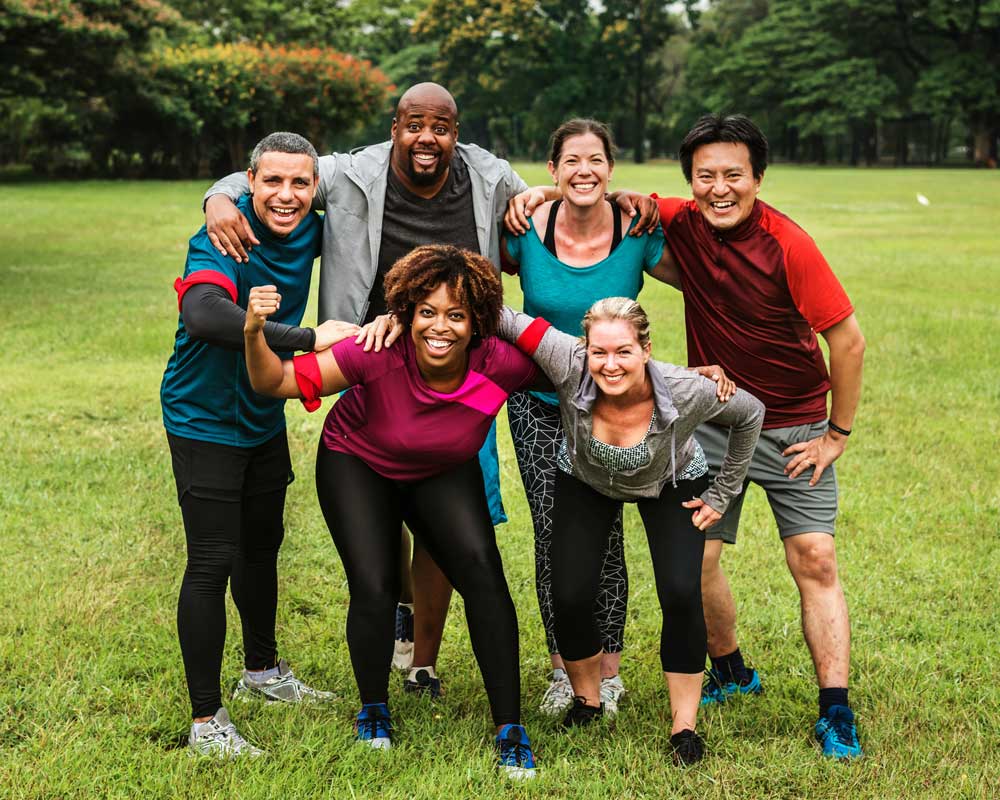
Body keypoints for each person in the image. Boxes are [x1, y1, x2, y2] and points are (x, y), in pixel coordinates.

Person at [203, 83, 659, 690]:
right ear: (395, 126)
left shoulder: (487, 175)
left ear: (456, 131)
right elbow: (273, 173)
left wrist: (618, 195)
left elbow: (564, 198)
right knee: (379, 501)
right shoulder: (351, 172)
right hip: (372, 354)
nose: (427, 138)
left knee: (448, 519)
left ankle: (422, 659)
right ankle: (396, 619)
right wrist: (219, 197)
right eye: (414, 124)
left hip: (460, 365)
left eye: (440, 126)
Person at [514, 113, 868, 758]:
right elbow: (607, 197)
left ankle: (835, 709)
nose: (719, 188)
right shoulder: (674, 218)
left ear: (758, 177)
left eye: (734, 175)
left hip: (793, 422)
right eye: (705, 176)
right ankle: (729, 669)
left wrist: (836, 432)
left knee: (814, 558)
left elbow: (846, 339)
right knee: (696, 565)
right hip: (709, 421)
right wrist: (538, 194)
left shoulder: (790, 244)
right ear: (690, 183)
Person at [243, 245, 542, 778]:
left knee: (485, 577)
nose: (439, 327)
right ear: (405, 312)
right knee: (376, 585)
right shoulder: (377, 352)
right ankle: (373, 708)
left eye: (456, 314)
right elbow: (274, 383)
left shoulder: (503, 364)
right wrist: (252, 334)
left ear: (478, 322)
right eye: (426, 312)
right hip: (359, 461)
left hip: (441, 468)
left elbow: (592, 374)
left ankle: (509, 727)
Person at [498, 298, 764, 765]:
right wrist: (417, 305)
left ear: (646, 349)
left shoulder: (686, 389)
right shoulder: (567, 359)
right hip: (585, 477)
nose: (610, 364)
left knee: (682, 591)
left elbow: (750, 414)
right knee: (571, 592)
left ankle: (684, 726)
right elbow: (503, 316)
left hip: (672, 481)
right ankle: (588, 700)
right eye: (599, 352)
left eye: (623, 351)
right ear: (584, 349)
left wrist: (722, 494)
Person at [160, 132, 347, 759]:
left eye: (300, 183)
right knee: (212, 558)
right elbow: (205, 315)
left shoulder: (313, 230)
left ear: (315, 188)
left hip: (263, 410)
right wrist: (305, 336)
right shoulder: (224, 234)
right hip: (204, 416)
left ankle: (262, 672)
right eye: (272, 181)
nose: (286, 195)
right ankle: (205, 722)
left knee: (263, 547)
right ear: (249, 182)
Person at [499, 119, 681, 717]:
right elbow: (472, 267)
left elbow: (703, 276)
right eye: (571, 161)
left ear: (611, 168)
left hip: (614, 408)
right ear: (551, 170)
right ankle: (562, 667)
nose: (584, 171)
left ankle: (609, 670)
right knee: (555, 533)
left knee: (607, 536)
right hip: (539, 403)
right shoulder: (523, 228)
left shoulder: (636, 230)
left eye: (596, 160)